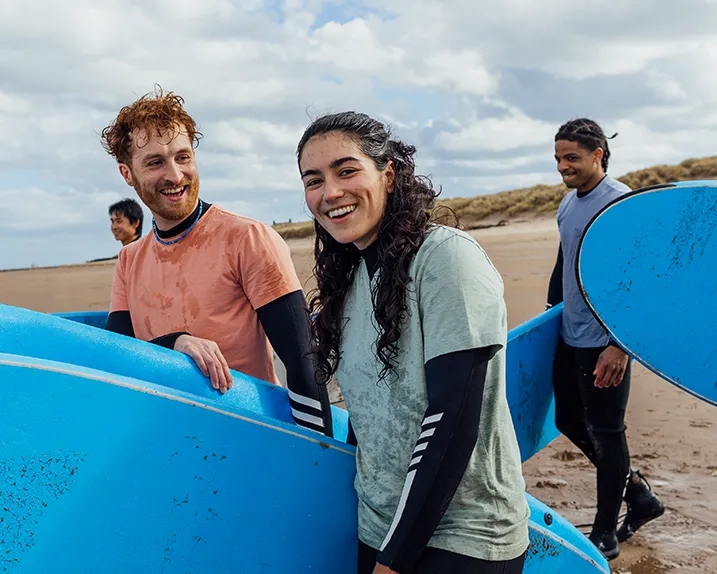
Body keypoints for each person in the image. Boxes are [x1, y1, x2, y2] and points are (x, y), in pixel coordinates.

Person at [297, 111, 529, 574]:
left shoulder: (445, 258)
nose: (330, 193)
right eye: (314, 180)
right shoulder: (351, 277)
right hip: (379, 527)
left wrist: (396, 558)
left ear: (389, 174)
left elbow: (453, 418)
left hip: (464, 535)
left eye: (346, 170)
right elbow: (368, 419)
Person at [99, 86, 332, 437]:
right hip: (161, 435)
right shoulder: (130, 260)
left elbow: (304, 363)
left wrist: (319, 459)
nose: (175, 175)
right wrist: (174, 342)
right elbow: (119, 358)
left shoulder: (247, 238)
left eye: (183, 157)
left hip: (248, 433)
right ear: (127, 174)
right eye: (155, 162)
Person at [547, 118, 664, 560]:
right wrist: (549, 315)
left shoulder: (619, 203)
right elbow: (565, 263)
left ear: (598, 154)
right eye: (558, 158)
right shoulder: (567, 205)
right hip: (570, 332)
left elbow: (644, 279)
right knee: (568, 421)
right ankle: (638, 495)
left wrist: (620, 344)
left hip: (607, 341)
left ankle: (604, 534)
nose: (563, 167)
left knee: (607, 432)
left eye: (572, 158)